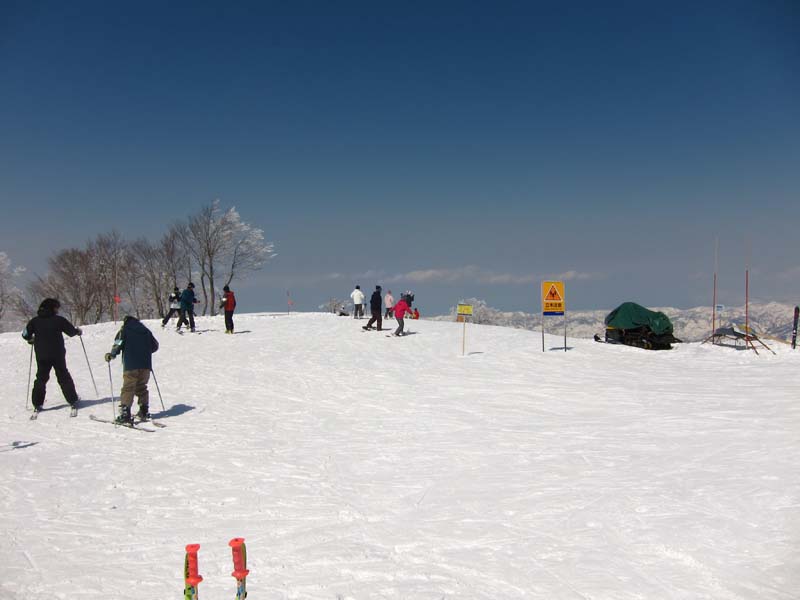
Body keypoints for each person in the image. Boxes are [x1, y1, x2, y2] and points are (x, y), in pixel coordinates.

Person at [21, 298, 82, 413]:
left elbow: (25, 334)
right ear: (52, 308)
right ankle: (72, 399)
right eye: (56, 308)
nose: (57, 310)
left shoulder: (34, 321)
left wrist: (31, 339)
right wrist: (77, 331)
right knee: (63, 376)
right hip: (57, 354)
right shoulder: (59, 320)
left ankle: (37, 403)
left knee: (41, 378)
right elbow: (71, 332)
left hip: (41, 355)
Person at [105, 315, 159, 424]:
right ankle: (144, 411)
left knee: (128, 388)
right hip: (145, 365)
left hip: (131, 365)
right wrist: (144, 351)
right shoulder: (146, 331)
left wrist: (112, 354)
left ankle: (125, 414)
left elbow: (118, 343)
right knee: (141, 387)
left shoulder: (124, 330)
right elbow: (155, 346)